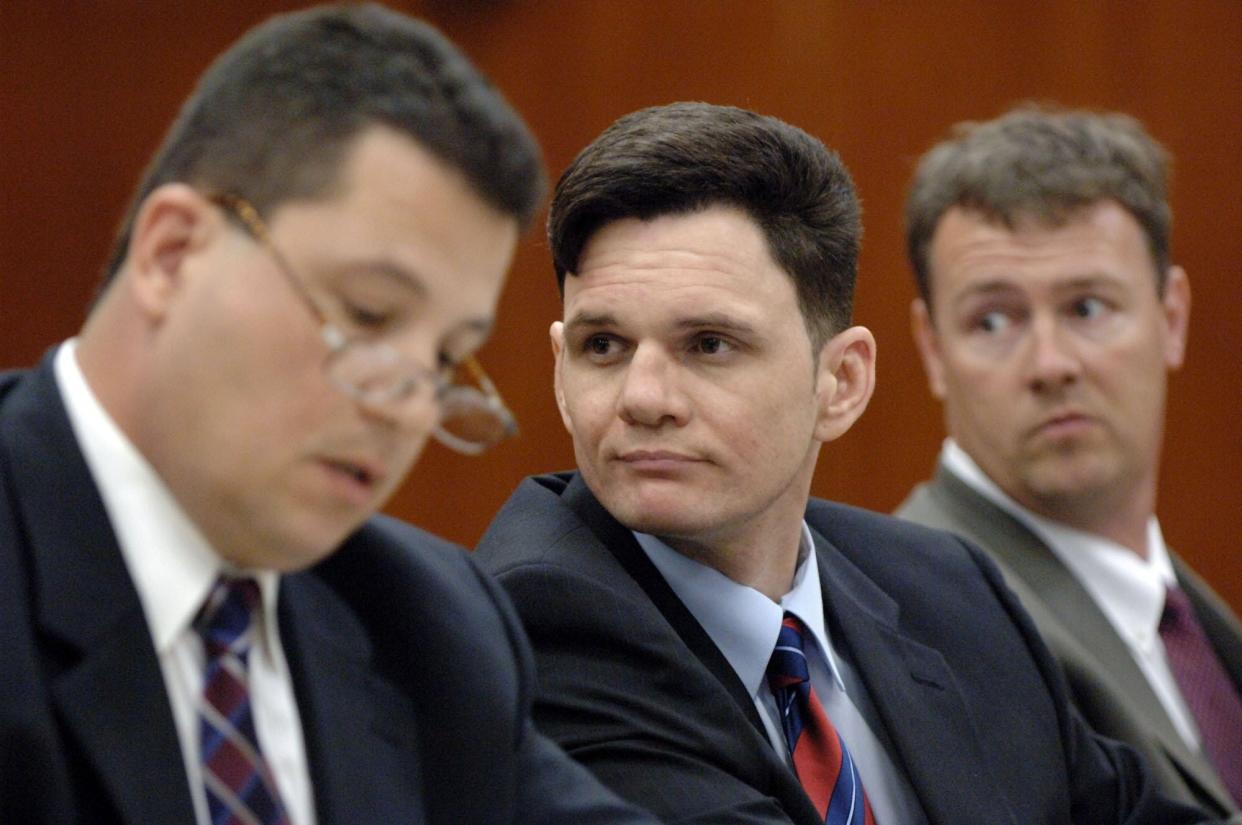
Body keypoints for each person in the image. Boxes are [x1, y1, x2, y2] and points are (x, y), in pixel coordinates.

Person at [473, 100, 1231, 824]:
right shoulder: (539, 624)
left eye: (709, 344)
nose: (642, 397)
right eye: (602, 346)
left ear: (841, 382)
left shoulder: (946, 587)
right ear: (559, 374)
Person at [0, 6, 660, 825]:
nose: (411, 406)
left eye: (446, 358)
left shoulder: (429, 624)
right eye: (369, 314)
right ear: (172, 255)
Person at [895, 104, 1242, 817]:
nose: (1050, 364)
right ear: (932, 348)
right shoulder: (931, 623)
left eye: (1087, 307)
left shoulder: (1176, 608)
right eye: (994, 319)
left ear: (1171, 317)